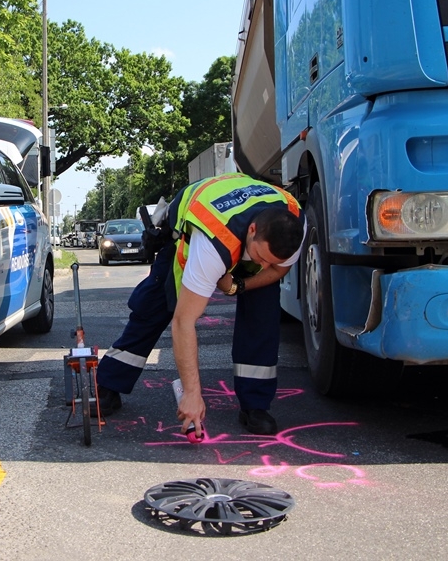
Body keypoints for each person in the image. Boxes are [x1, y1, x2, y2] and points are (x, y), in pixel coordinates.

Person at [94, 173, 305, 436]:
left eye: (270, 261)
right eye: (261, 255)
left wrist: (240, 284)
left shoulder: (293, 224)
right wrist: (192, 395)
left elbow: (278, 270)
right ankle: (108, 383)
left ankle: (256, 406)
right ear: (252, 231)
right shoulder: (212, 243)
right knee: (155, 306)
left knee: (263, 317)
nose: (262, 266)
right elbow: (184, 321)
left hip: (244, 223)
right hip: (196, 229)